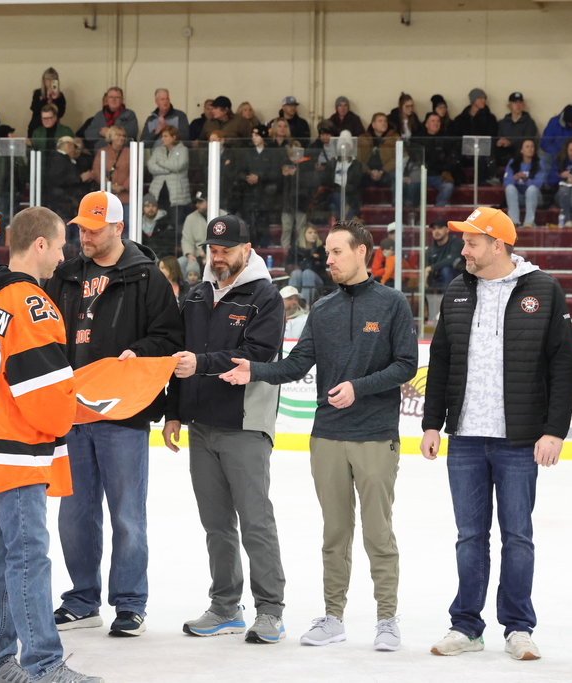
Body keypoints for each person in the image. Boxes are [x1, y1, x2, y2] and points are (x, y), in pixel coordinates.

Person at [221, 219, 417, 651]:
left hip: (374, 436)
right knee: (335, 533)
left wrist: (359, 387)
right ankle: (333, 617)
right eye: (326, 253)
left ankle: (387, 619)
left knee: (377, 532)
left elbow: (406, 364)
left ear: (361, 251)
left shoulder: (391, 304)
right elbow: (294, 366)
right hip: (326, 436)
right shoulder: (324, 310)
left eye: (336, 253)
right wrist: (254, 369)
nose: (328, 260)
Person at [0, 206, 103, 683]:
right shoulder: (31, 303)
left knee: (7, 555)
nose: (62, 256)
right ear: (39, 245)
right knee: (29, 554)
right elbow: (45, 396)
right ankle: (44, 664)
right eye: (58, 246)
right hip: (14, 450)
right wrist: (79, 408)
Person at [421, 206, 572, 661]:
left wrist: (554, 431)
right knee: (470, 536)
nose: (463, 249)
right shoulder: (456, 290)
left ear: (498, 245)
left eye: (471, 242)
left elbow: (563, 365)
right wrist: (433, 422)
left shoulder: (544, 290)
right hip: (465, 437)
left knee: (518, 536)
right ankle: (466, 625)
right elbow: (442, 362)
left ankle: (518, 627)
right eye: (464, 241)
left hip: (520, 439)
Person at [43, 191, 183, 638]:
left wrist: (137, 351)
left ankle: (130, 603)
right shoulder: (65, 276)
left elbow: (168, 338)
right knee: (74, 513)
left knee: (127, 514)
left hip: (123, 416)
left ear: (119, 229)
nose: (84, 235)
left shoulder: (148, 279)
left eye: (93, 228)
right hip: (71, 413)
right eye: (81, 227)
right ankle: (83, 598)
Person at [163, 214, 287, 644]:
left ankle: (270, 610)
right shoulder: (197, 296)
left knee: (255, 521)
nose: (217, 258)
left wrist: (204, 364)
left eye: (226, 250)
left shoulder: (265, 296)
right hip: (201, 425)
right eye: (212, 251)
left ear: (247, 249)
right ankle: (225, 606)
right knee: (216, 523)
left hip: (245, 425)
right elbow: (181, 359)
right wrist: (173, 412)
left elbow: (258, 353)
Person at [237, 124, 283, 248]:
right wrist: (248, 178)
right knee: (249, 224)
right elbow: (239, 172)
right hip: (249, 194)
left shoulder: (272, 154)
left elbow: (275, 173)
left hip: (266, 196)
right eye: (252, 135)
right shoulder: (247, 153)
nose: (254, 138)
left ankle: (264, 248)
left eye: (256, 135)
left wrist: (260, 177)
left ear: (263, 136)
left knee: (263, 224)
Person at [450, 89, 499, 184]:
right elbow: (455, 138)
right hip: (464, 153)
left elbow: (491, 137)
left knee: (482, 157)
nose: (483, 100)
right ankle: (459, 182)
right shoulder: (460, 119)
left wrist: (476, 149)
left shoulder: (490, 118)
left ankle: (483, 182)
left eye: (484, 98)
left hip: (482, 153)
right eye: (480, 98)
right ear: (473, 100)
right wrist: (465, 149)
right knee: (453, 157)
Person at [146, 125, 190, 226]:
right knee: (160, 224)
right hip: (158, 194)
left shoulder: (183, 150)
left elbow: (178, 166)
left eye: (166, 136)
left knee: (176, 224)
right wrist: (169, 169)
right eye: (162, 136)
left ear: (174, 137)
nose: (163, 139)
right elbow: (151, 167)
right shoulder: (158, 150)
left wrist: (160, 162)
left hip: (177, 194)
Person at [280, 139, 317, 257]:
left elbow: (310, 182)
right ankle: (285, 253)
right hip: (287, 203)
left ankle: (301, 252)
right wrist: (283, 175)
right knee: (286, 228)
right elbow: (277, 184)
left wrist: (295, 174)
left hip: (301, 202)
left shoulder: (306, 165)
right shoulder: (284, 164)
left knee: (301, 229)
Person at [44, 136, 92, 223]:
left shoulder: (61, 159)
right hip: (62, 205)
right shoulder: (59, 160)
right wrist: (80, 178)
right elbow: (57, 180)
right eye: (74, 147)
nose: (75, 150)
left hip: (65, 206)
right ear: (69, 145)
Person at [414, 112, 457, 207]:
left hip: (438, 175)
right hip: (420, 175)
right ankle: (414, 211)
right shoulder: (417, 139)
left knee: (448, 186)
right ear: (426, 124)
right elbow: (415, 159)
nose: (436, 123)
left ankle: (437, 210)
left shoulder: (446, 138)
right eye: (432, 121)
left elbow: (452, 158)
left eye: (438, 121)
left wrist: (445, 170)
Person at [91, 126, 131, 228]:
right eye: (118, 135)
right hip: (108, 196)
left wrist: (123, 186)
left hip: (126, 197)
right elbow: (96, 170)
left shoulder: (130, 152)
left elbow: (135, 172)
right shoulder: (102, 151)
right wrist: (108, 184)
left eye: (123, 136)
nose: (122, 138)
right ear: (111, 136)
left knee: (126, 227)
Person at [540, 105, 572, 178]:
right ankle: (547, 186)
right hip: (556, 154)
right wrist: (559, 154)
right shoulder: (554, 122)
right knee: (544, 158)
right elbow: (545, 142)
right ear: (566, 122)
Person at [503, 138, 543, 227]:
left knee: (532, 189)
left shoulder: (539, 163)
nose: (530, 149)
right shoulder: (513, 163)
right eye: (527, 147)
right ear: (521, 150)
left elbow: (539, 184)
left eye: (532, 147)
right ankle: (514, 221)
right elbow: (506, 182)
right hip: (519, 197)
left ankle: (529, 222)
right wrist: (515, 178)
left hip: (535, 197)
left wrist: (526, 180)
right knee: (510, 188)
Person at [495, 92, 538, 171]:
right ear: (510, 105)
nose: (518, 105)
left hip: (520, 155)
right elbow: (498, 136)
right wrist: (500, 142)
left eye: (520, 102)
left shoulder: (529, 123)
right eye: (515, 103)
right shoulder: (502, 123)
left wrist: (510, 143)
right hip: (504, 155)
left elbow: (528, 140)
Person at [357, 113, 398, 189]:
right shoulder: (363, 138)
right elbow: (358, 159)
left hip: (387, 172)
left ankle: (395, 201)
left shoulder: (395, 138)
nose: (384, 123)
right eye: (380, 121)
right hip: (366, 172)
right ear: (373, 125)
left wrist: (382, 171)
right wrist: (369, 171)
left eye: (385, 121)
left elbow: (398, 158)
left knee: (396, 175)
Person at [290, 225, 326, 304]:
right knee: (296, 273)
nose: (313, 234)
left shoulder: (320, 249)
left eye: (315, 232)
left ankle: (304, 305)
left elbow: (322, 268)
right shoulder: (296, 249)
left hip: (317, 282)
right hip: (300, 278)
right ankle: (291, 303)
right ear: (303, 235)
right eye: (310, 232)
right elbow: (289, 265)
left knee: (307, 273)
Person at [27, 67, 67, 138]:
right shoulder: (38, 93)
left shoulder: (60, 95)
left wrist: (56, 99)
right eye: (48, 79)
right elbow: (34, 108)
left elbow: (60, 113)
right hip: (37, 126)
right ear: (44, 81)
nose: (50, 82)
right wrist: (45, 100)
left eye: (53, 79)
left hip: (53, 128)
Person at [423, 220, 462, 290]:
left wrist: (432, 267)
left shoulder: (455, 242)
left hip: (458, 278)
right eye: (434, 229)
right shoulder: (431, 249)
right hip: (438, 279)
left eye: (439, 228)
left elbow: (453, 259)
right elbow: (426, 266)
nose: (436, 231)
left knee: (446, 270)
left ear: (447, 230)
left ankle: (449, 298)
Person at [138, 193, 176, 258]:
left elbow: (168, 246)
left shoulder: (165, 224)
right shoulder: (137, 223)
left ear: (157, 208)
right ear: (142, 209)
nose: (151, 208)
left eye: (153, 206)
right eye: (147, 206)